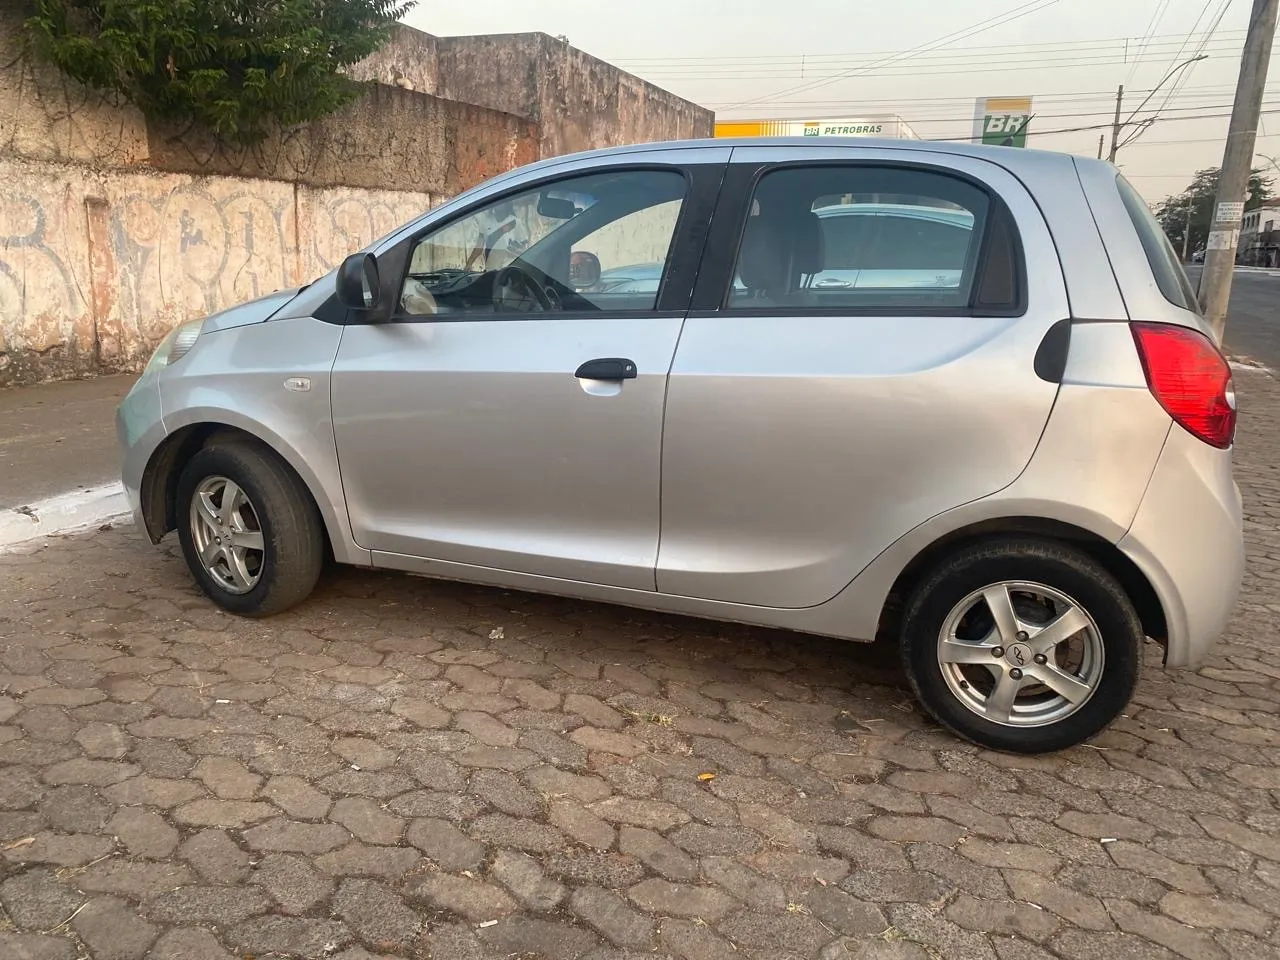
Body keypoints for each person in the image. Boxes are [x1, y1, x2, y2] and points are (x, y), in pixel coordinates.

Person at [465, 198, 529, 273]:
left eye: (502, 202)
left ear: (507, 204)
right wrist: (469, 263)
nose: (498, 204)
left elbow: (523, 248)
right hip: (491, 271)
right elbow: (479, 246)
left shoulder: (514, 222)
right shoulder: (486, 221)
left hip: (509, 270)